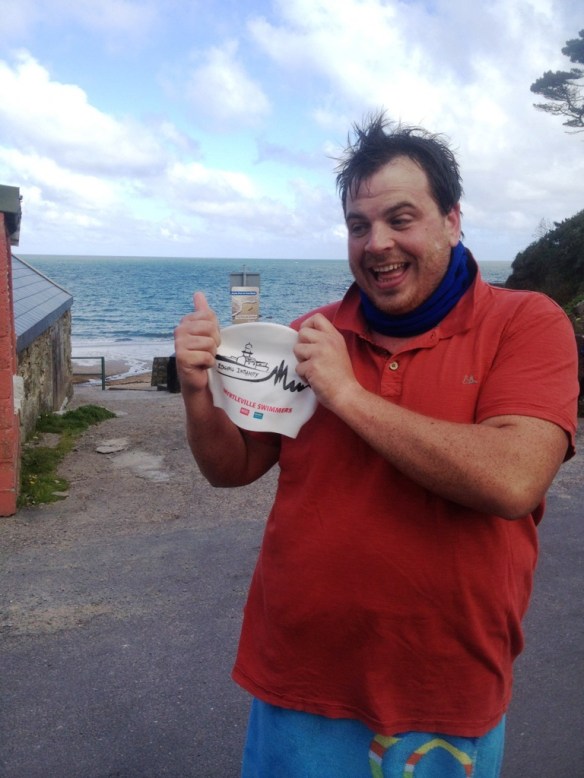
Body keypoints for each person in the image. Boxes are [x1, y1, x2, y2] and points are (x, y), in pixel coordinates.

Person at [174, 113, 579, 778]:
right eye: (358, 226)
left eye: (401, 218)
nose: (377, 243)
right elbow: (233, 467)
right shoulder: (310, 334)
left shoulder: (525, 323)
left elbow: (514, 479)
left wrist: (349, 395)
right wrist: (197, 395)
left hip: (441, 690)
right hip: (298, 677)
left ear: (452, 219)